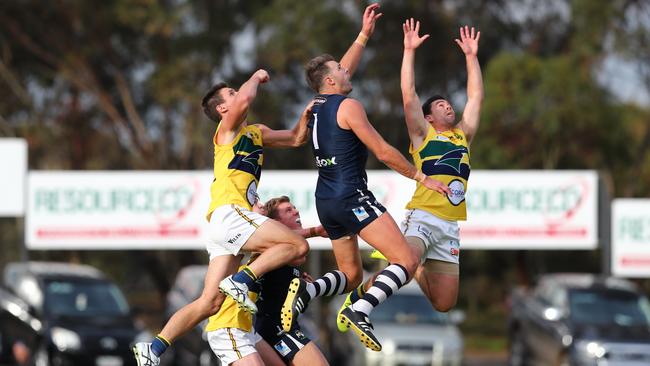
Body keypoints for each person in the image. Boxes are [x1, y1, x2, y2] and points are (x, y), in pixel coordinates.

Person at [280, 4, 451, 353]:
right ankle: (362, 309)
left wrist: (363, 35)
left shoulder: (316, 106)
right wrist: (422, 177)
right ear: (330, 81)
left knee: (352, 275)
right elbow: (385, 151)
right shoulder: (350, 107)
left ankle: (305, 292)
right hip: (352, 196)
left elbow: (338, 73)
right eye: (340, 70)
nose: (347, 71)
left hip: (325, 200)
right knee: (406, 261)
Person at [133, 70, 313, 366]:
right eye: (230, 95)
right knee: (296, 246)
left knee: (210, 301)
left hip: (226, 225)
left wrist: (307, 113)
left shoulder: (256, 132)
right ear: (222, 109)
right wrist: (255, 77)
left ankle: (153, 348)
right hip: (231, 214)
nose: (237, 96)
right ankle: (242, 280)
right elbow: (244, 98)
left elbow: (296, 138)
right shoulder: (226, 130)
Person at [345, 19, 483, 322]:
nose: (449, 107)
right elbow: (408, 94)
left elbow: (475, 97)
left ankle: (418, 265)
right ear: (428, 118)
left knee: (444, 303)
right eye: (441, 105)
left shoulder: (463, 136)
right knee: (402, 267)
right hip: (423, 216)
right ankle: (358, 304)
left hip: (450, 227)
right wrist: (408, 51)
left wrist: (471, 57)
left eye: (449, 104)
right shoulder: (423, 136)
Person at [204, 196, 329, 366]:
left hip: (256, 330)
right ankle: (159, 345)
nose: (296, 211)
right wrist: (315, 231)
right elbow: (297, 249)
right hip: (267, 328)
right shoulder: (265, 246)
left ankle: (160, 344)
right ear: (276, 223)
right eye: (288, 210)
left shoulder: (283, 251)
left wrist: (303, 291)